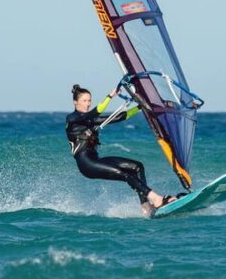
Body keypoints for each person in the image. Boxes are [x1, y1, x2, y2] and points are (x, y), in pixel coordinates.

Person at [65, 84, 176, 216]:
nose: (88, 104)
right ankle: (156, 199)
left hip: (96, 160)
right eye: (84, 101)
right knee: (125, 174)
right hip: (86, 164)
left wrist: (140, 107)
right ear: (75, 102)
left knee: (137, 167)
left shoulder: (89, 119)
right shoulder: (72, 119)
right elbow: (95, 112)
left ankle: (146, 207)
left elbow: (117, 117)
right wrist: (110, 96)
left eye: (89, 100)